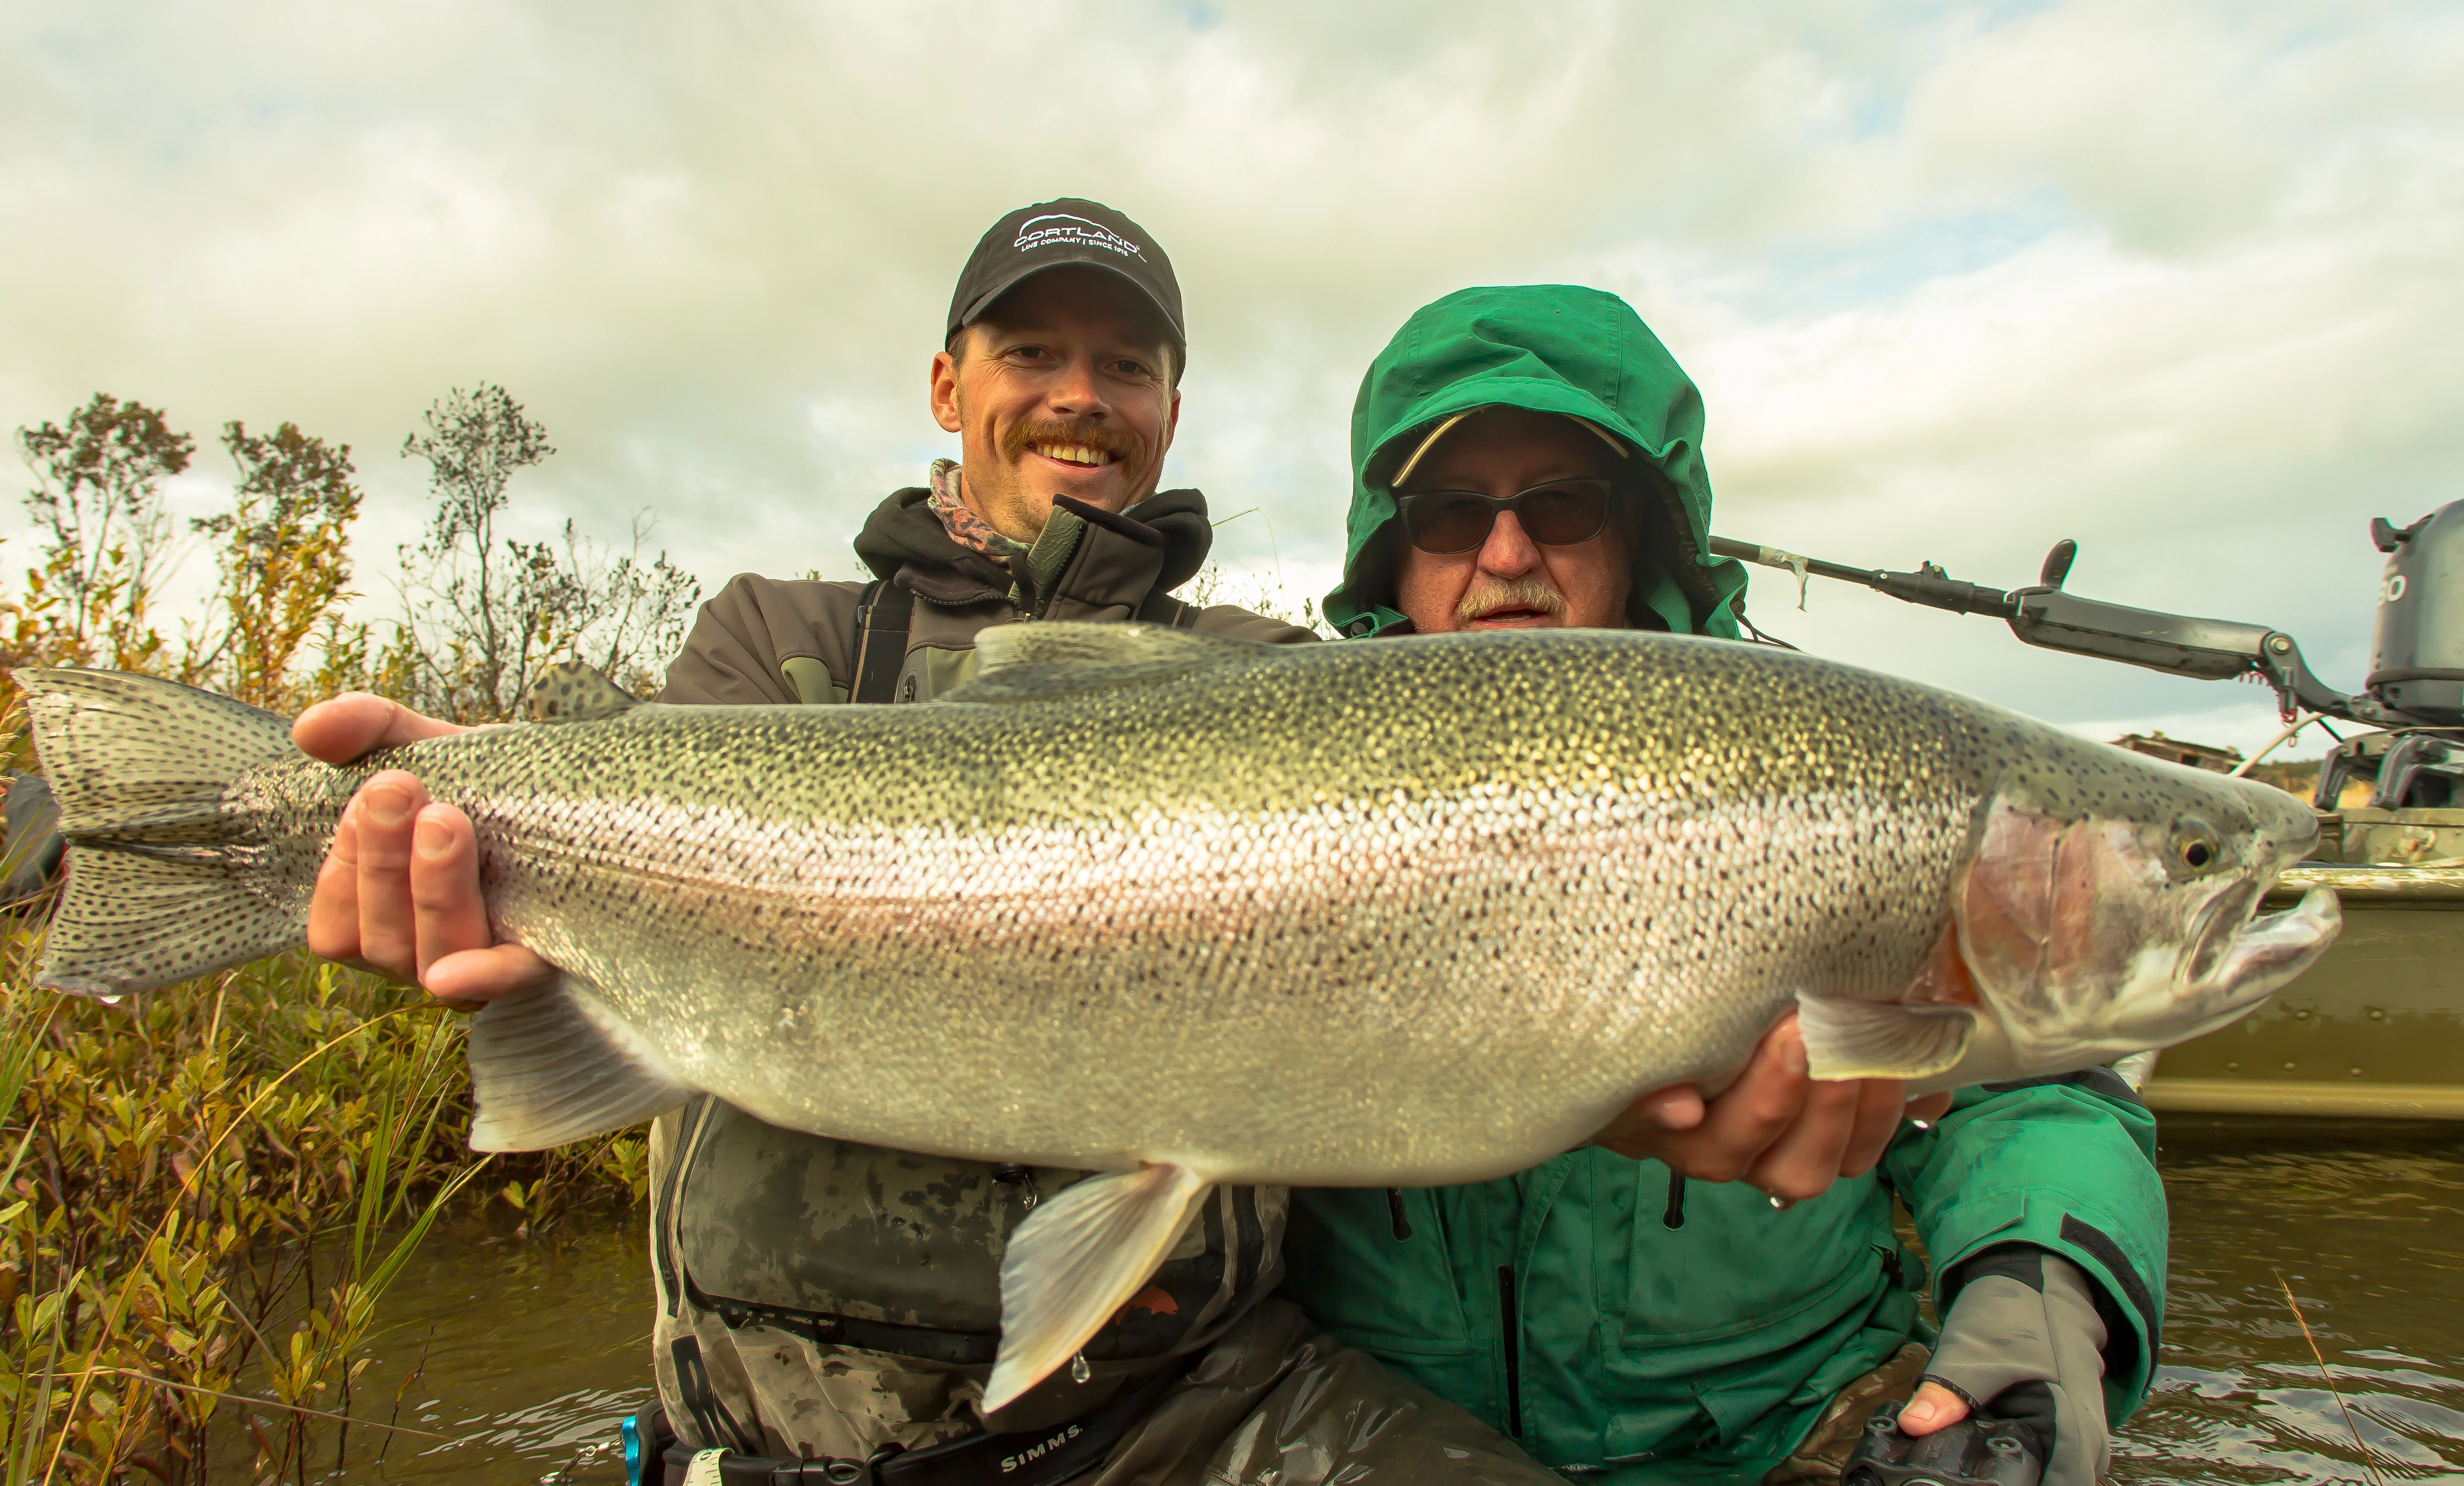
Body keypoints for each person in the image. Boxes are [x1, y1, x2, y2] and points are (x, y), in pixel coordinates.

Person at [295, 205, 1948, 1483]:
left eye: (1128, 366)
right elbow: (605, 859)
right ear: (948, 387)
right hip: (794, 1420)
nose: (1080, 397)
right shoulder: (783, 642)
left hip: (1198, 1404)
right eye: (1032, 353)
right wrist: (461, 821)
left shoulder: (1268, 676)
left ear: (1169, 410)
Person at [1285, 283, 2168, 1486]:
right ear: (1393, 548)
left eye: (1562, 503)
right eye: (1448, 513)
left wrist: (2037, 1306)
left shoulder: (1846, 771)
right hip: (1370, 1443)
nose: (1505, 552)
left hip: (1784, 1432)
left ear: (1640, 531)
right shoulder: (1274, 793)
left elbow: (2037, 1089)